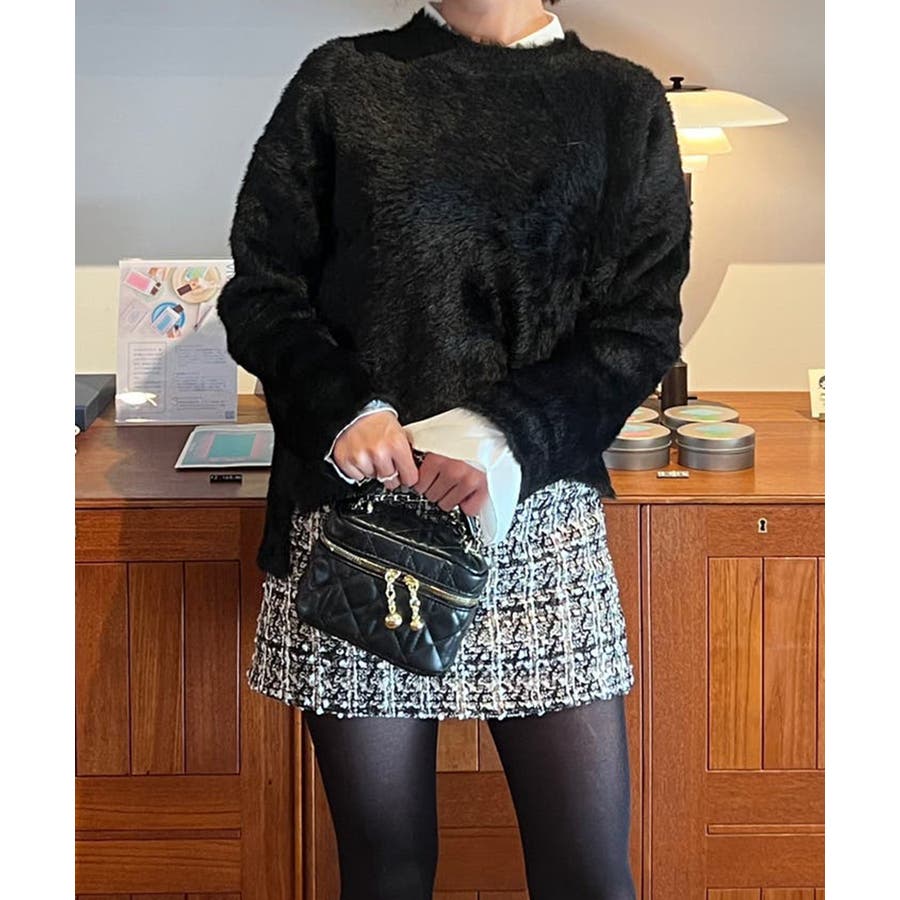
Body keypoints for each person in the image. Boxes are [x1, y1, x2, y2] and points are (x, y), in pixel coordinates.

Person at [216, 2, 691, 898]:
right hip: (361, 519)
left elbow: (639, 328)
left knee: (589, 875)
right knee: (385, 871)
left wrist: (501, 432)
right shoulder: (344, 80)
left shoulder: (621, 102)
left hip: (536, 517)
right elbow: (262, 290)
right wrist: (343, 409)